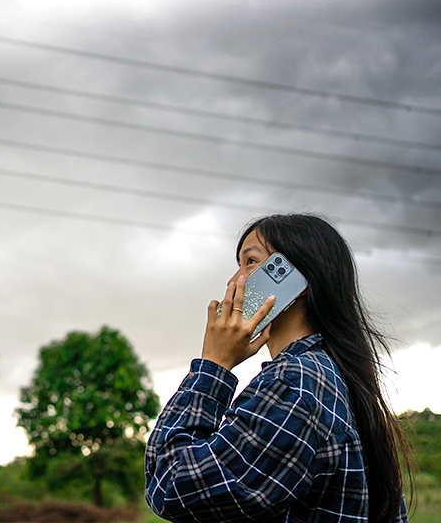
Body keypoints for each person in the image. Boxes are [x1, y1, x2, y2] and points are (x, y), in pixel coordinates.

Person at [145, 213, 410, 523]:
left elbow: (171, 484)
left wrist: (214, 365)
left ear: (296, 283)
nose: (234, 282)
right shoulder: (336, 376)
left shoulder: (293, 385)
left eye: (250, 263)